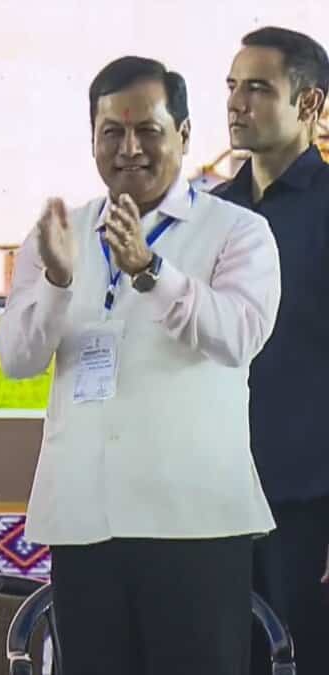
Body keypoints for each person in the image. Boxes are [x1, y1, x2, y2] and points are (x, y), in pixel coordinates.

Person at [0, 56, 280, 675]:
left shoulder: (239, 232)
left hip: (195, 523)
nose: (129, 148)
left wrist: (150, 272)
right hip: (85, 522)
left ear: (182, 134)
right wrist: (58, 279)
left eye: (148, 130)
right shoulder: (58, 233)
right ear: (92, 140)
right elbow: (17, 359)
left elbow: (239, 337)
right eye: (111, 133)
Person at [213, 26, 329, 675]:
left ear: (310, 104)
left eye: (258, 88)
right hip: (217, 503)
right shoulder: (208, 218)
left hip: (308, 510)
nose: (237, 103)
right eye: (232, 86)